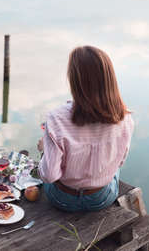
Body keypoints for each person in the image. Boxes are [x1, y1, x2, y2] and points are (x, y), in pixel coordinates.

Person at [37, 45, 134, 212]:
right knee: (114, 171)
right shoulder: (124, 118)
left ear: (75, 79)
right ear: (109, 78)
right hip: (101, 198)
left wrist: (45, 150)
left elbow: (49, 176)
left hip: (62, 199)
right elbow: (120, 161)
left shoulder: (56, 118)